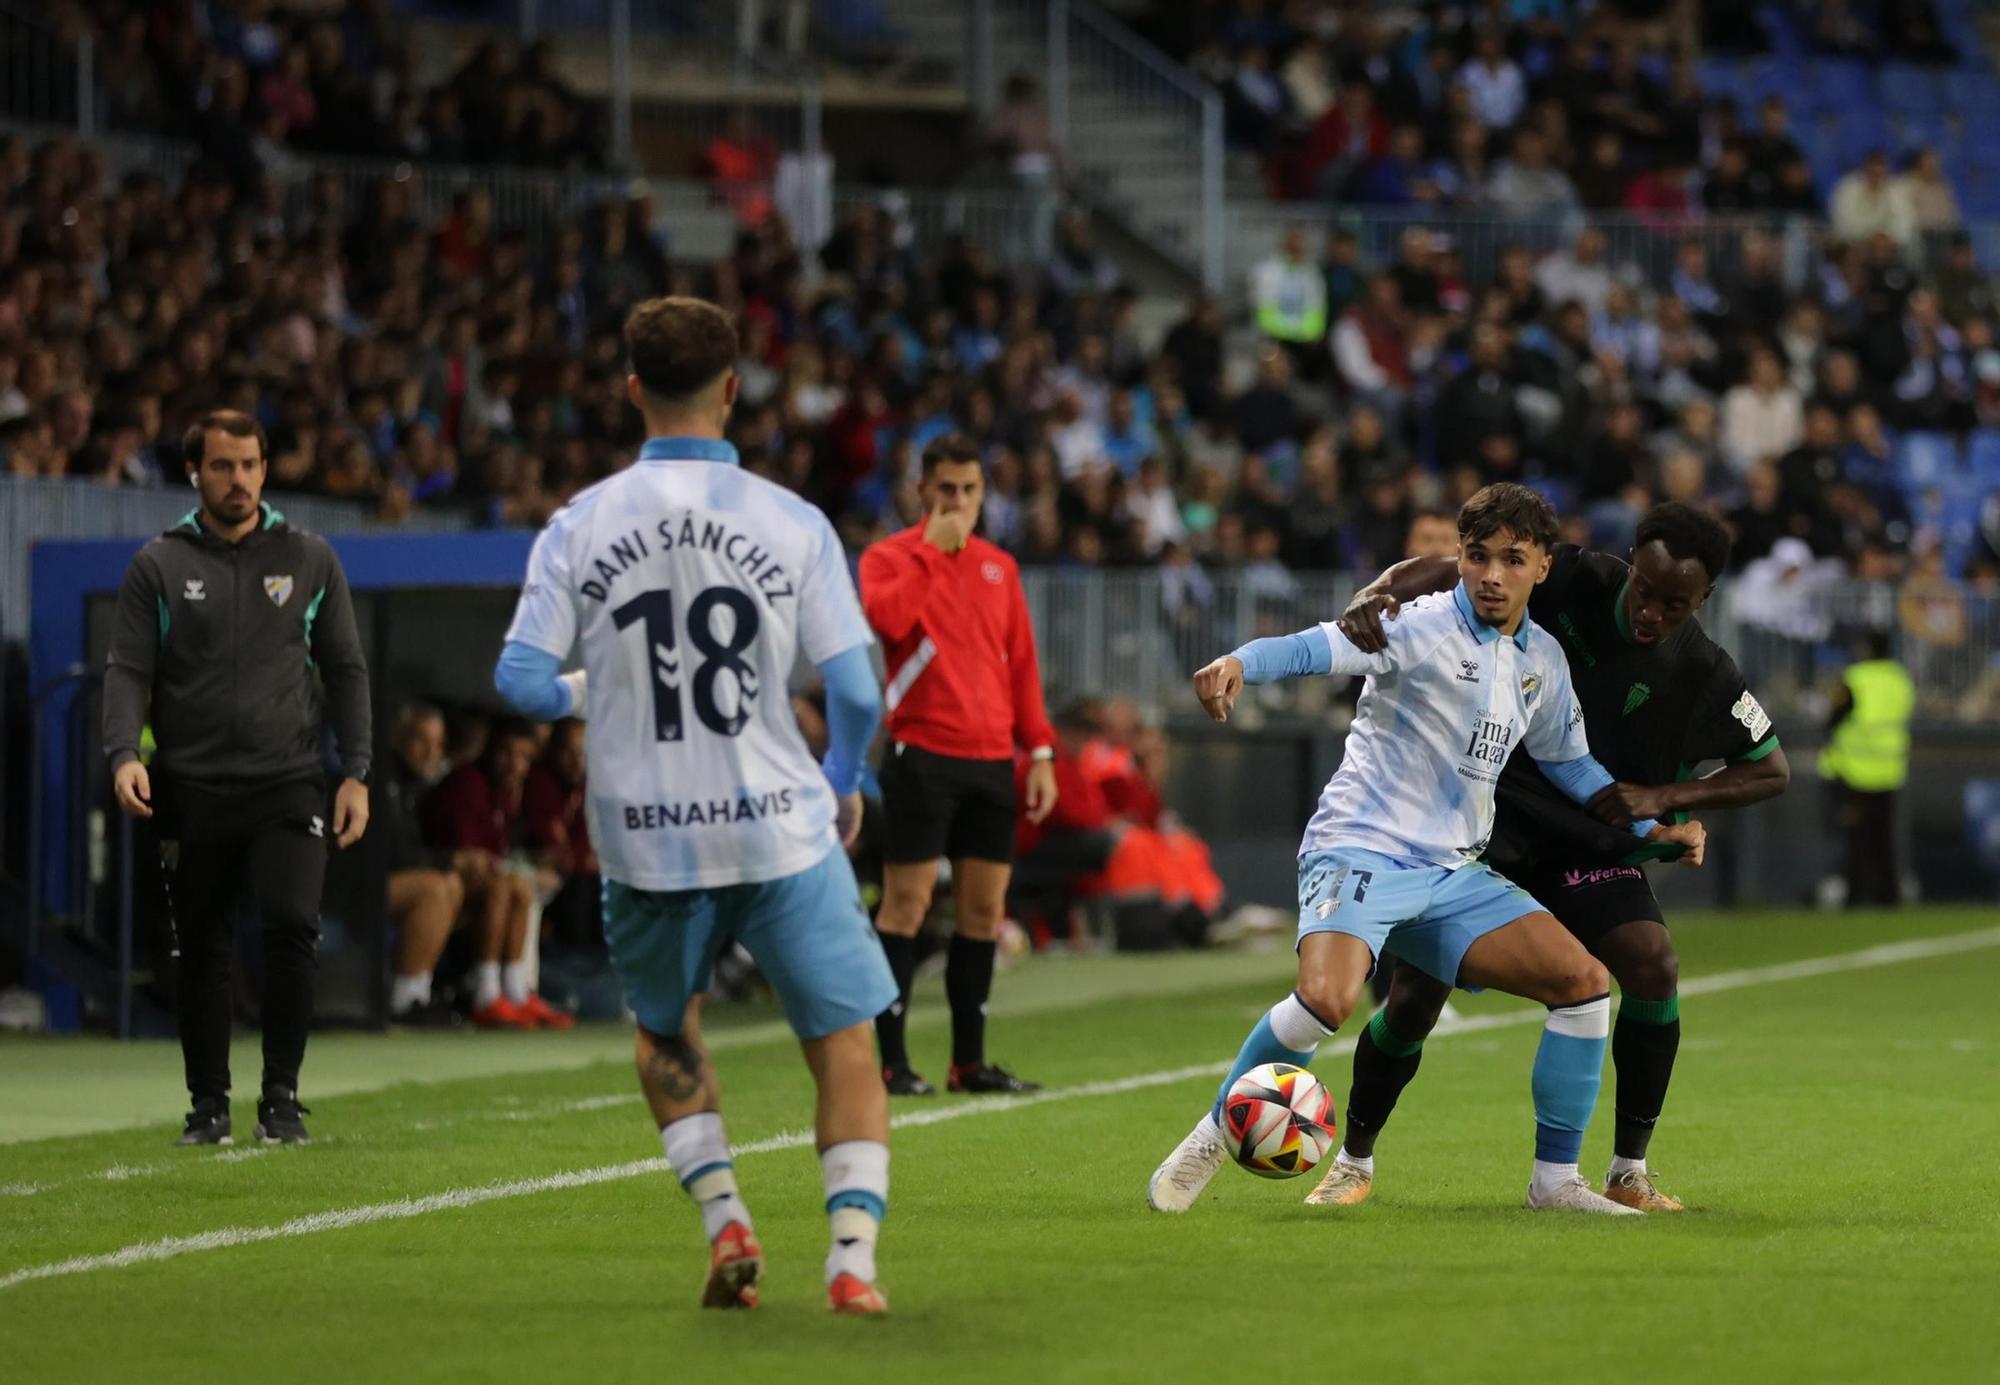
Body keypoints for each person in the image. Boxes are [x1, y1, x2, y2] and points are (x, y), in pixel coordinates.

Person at [493, 295, 897, 1315]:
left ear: (631, 389)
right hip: (778, 823)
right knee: (844, 1041)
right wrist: (845, 775)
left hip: (645, 838)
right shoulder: (789, 520)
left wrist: (598, 687)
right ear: (731, 388)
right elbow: (855, 687)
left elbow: (519, 681)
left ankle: (726, 1219)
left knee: (666, 1032)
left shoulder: (578, 524)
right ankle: (850, 1262)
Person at [1145, 484, 1706, 1217]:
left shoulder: (1541, 660)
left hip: (1452, 872)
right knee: (1327, 999)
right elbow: (1315, 646)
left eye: (1513, 559)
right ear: (1460, 559)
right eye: (1478, 557)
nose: (1492, 575)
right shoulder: (1415, 625)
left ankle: (1555, 1182)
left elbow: (1573, 767)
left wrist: (1650, 827)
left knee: (1582, 982)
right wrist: (1240, 663)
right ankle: (1214, 1133)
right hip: (1363, 848)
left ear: (1543, 566)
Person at [1322, 503, 1791, 1212]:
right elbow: (1446, 571)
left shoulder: (1705, 672)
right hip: (1489, 825)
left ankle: (1627, 1171)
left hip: (1587, 843)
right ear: (1631, 561)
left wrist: (1664, 796)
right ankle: (1353, 1160)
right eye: (1646, 590)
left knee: (1652, 963)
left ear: (1704, 600)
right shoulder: (1570, 578)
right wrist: (1373, 595)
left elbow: (1770, 768)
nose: (1652, 612)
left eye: (1675, 603)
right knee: (1417, 996)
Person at [104, 408, 372, 1146]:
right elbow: (128, 668)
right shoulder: (157, 565)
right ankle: (208, 1104)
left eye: (250, 465)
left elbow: (346, 668)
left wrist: (357, 771)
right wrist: (125, 752)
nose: (239, 480)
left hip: (287, 778)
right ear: (195, 473)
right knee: (200, 943)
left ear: (265, 468)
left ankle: (281, 1096)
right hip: (189, 785)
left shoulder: (311, 556)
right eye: (222, 466)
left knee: (292, 921)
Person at [860, 432, 1059, 1097]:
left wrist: (1039, 751)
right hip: (921, 754)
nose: (959, 502)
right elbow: (887, 621)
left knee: (982, 913)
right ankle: (890, 1063)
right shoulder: (891, 558)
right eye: (947, 489)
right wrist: (930, 554)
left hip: (989, 761)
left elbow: (1022, 667)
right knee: (906, 905)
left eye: (970, 490)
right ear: (922, 491)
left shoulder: (1000, 567)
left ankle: (967, 1064)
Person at [422, 718, 574, 1030]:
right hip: (443, 880)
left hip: (478, 887)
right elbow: (469, 855)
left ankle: (516, 991)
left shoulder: (505, 794)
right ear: (491, 751)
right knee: (505, 887)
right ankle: (485, 992)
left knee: (517, 887)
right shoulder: (468, 783)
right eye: (506, 753)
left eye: (523, 758)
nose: (514, 764)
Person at [1819, 629, 1914, 909]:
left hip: (1856, 769)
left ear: (1867, 648)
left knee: (1857, 837)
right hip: (1890, 768)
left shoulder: (1855, 679)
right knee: (1885, 836)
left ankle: (1857, 894)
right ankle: (1889, 894)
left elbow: (1833, 718)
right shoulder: (1900, 679)